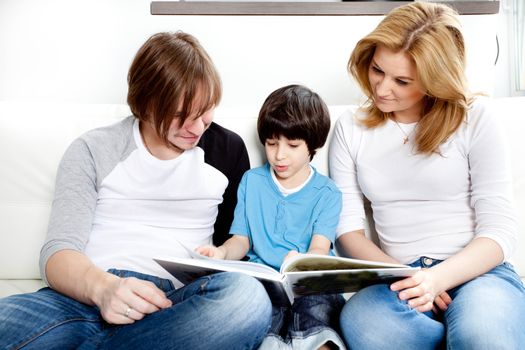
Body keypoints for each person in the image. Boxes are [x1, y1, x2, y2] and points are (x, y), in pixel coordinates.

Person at [0, 31, 272, 349]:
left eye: (205, 112)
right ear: (146, 105)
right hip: (86, 296)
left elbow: (232, 248)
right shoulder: (94, 148)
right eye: (182, 116)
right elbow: (58, 253)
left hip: (174, 307)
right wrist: (104, 289)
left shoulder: (227, 150)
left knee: (247, 299)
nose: (198, 128)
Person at [329, 2, 525, 349]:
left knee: (482, 333)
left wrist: (438, 279)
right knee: (364, 324)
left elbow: (500, 231)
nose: (382, 89)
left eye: (402, 81)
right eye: (377, 70)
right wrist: (413, 278)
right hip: (397, 278)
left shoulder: (475, 119)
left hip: (477, 273)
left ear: (435, 81)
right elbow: (347, 232)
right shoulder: (351, 127)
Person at [197, 84, 346, 350]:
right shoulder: (251, 182)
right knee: (262, 315)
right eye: (271, 143)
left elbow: (320, 248)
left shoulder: (328, 192)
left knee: (317, 308)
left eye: (292, 145)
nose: (279, 155)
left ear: (313, 145)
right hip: (265, 281)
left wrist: (302, 261)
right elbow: (240, 241)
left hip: (309, 282)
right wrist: (220, 253)